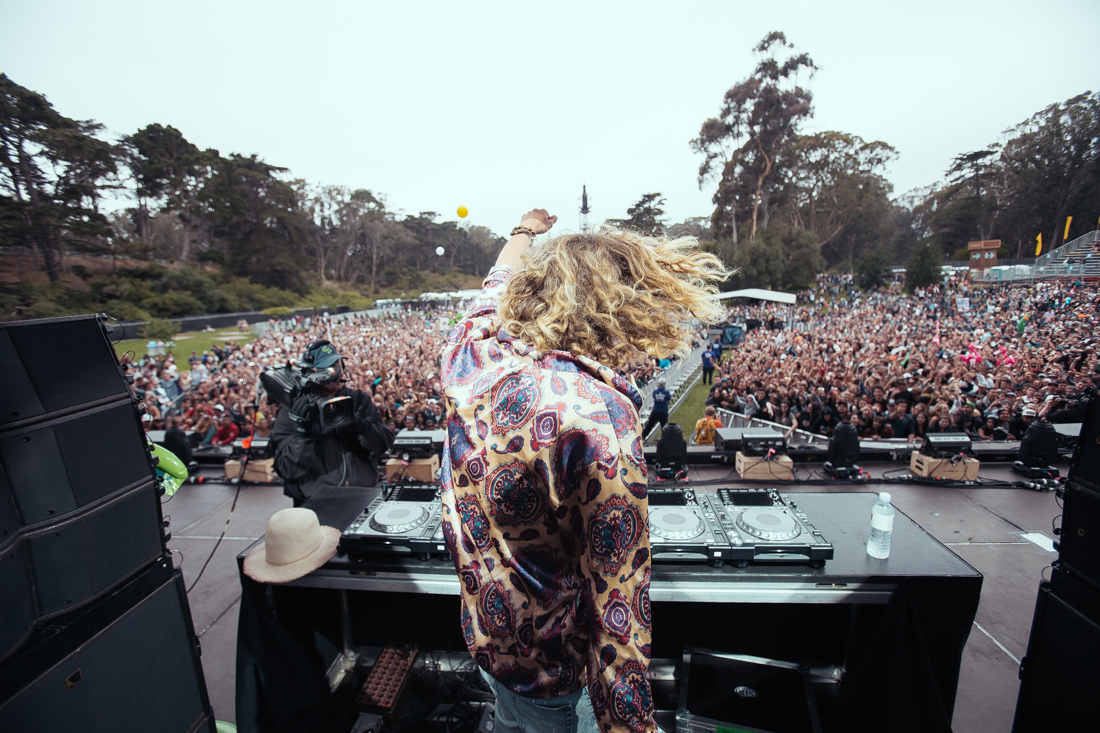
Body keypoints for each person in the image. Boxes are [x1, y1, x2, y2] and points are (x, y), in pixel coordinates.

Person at [441, 208, 728, 733]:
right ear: (621, 311)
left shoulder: (471, 349)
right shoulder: (598, 419)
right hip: (552, 674)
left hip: (486, 638)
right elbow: (619, 601)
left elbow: (495, 279)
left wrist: (524, 232)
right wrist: (631, 726)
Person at [271, 340, 394, 505]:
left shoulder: (358, 400)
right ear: (311, 372)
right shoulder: (293, 410)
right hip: (316, 502)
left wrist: (359, 424)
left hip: (363, 496)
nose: (337, 371)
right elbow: (287, 469)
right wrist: (304, 435)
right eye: (329, 367)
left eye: (338, 365)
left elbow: (383, 444)